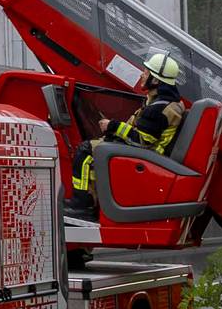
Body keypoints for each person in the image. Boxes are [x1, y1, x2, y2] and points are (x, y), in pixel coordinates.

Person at [68, 52, 189, 218]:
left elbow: (142, 141)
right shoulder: (163, 102)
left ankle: (82, 204)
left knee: (85, 151)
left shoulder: (159, 108)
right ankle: (92, 201)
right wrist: (113, 128)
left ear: (155, 80)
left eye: (146, 73)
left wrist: (113, 126)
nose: (141, 75)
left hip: (148, 156)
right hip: (148, 153)